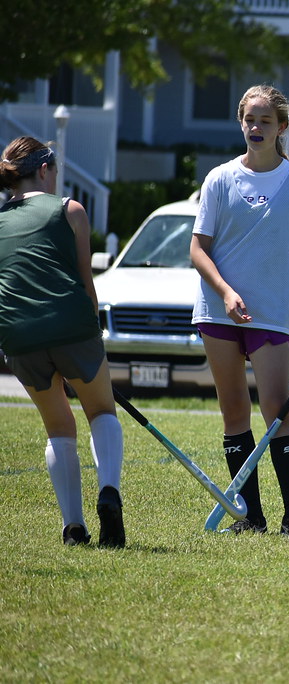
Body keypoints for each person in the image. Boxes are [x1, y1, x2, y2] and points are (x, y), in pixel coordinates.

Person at [190, 84, 289, 540]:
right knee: (234, 411)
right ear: (241, 123)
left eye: (265, 120)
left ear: (281, 127)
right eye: (249, 119)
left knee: (276, 409)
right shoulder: (219, 179)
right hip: (219, 312)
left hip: (273, 312)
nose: (256, 127)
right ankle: (249, 516)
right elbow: (198, 250)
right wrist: (224, 292)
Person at [0, 136, 126, 547]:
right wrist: (93, 334)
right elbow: (85, 284)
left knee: (58, 426)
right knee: (101, 410)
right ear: (44, 169)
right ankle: (108, 492)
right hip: (71, 325)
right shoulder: (70, 210)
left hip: (18, 333)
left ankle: (74, 526)